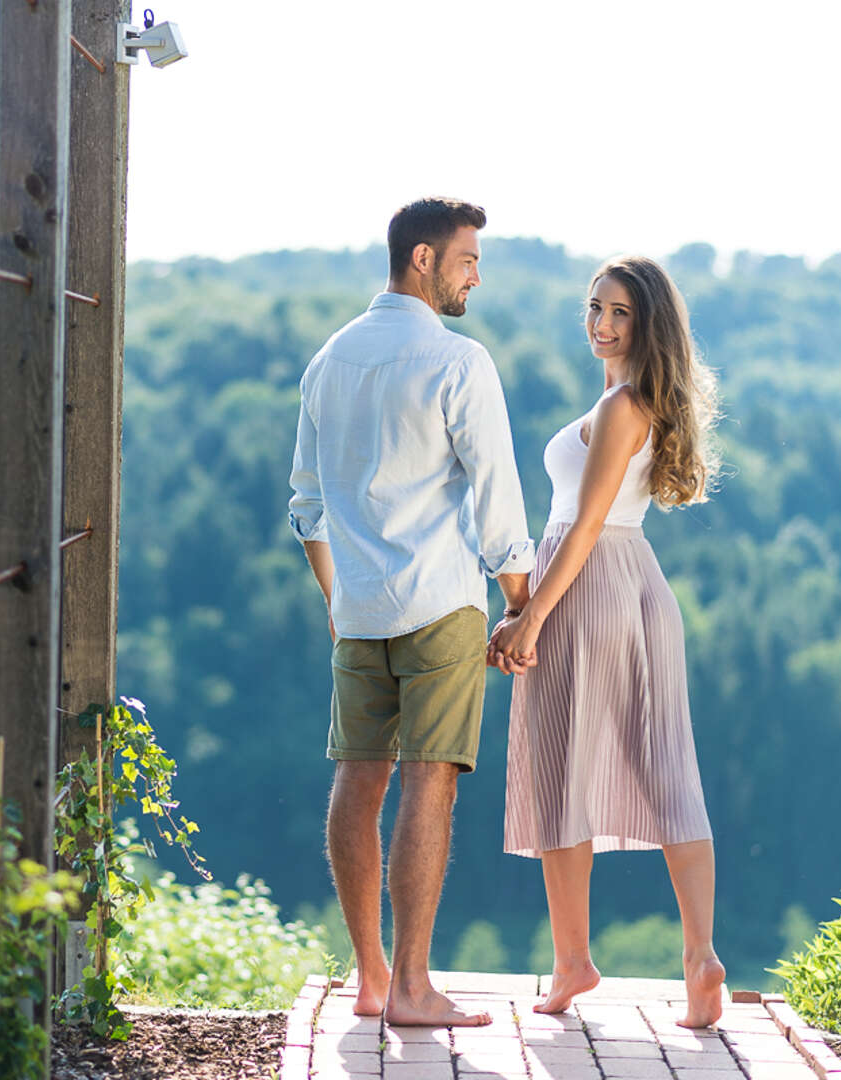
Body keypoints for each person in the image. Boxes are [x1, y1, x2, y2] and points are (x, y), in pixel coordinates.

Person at [288, 197, 535, 1026]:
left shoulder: (329, 360)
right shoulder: (459, 362)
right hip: (439, 606)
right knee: (431, 784)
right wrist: (520, 606)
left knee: (358, 781)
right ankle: (414, 989)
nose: (476, 276)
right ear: (422, 258)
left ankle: (370, 979)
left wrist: (338, 595)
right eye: (468, 259)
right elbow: (498, 500)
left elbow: (306, 505)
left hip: (357, 611)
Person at [489, 255, 724, 1027]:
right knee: (666, 771)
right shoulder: (639, 401)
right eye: (595, 308)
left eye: (620, 312)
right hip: (639, 587)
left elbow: (584, 524)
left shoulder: (625, 405)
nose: (602, 323)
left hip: (589, 586)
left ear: (647, 322)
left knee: (562, 766)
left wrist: (532, 616)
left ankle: (572, 964)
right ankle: (699, 959)